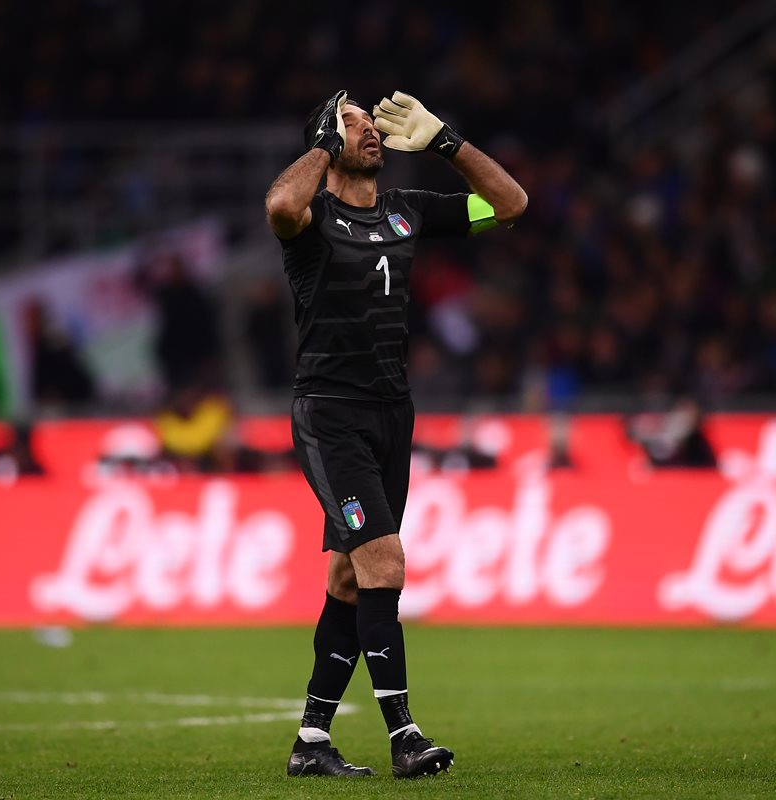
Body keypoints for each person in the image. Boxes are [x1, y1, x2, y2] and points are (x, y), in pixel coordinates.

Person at [264, 89, 527, 779]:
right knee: (385, 563)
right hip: (329, 415)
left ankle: (311, 743)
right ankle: (404, 735)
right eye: (350, 124)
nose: (370, 132)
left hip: (391, 415)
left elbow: (510, 205)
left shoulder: (408, 211)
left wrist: (447, 141)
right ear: (324, 139)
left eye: (368, 123)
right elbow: (279, 207)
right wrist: (323, 146)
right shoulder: (312, 218)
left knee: (350, 580)